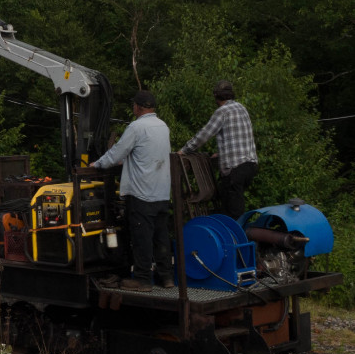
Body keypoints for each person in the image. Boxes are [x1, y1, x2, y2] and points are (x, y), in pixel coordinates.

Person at [91, 90, 173, 291]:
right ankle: (167, 277)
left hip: (142, 193)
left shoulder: (136, 127)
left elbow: (117, 152)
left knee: (141, 238)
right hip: (162, 192)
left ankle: (143, 279)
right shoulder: (163, 126)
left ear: (137, 107)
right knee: (161, 236)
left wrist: (97, 164)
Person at [178, 80, 258, 220]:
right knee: (231, 206)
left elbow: (203, 136)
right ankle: (237, 235)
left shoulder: (222, 112)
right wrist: (222, 154)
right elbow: (240, 138)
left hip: (235, 169)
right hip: (250, 166)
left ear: (216, 96)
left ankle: (235, 239)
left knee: (232, 213)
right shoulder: (241, 108)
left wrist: (184, 151)